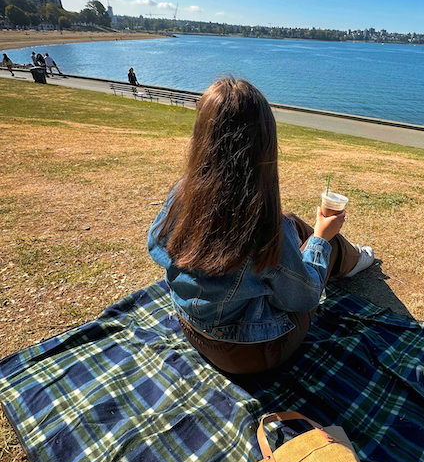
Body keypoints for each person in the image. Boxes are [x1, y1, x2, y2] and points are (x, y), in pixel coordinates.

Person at [148, 77, 374, 375]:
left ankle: (350, 255)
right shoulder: (264, 227)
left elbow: (155, 243)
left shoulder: (182, 195)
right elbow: (304, 297)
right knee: (319, 242)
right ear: (264, 145)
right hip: (250, 352)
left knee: (291, 222)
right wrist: (320, 238)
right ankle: (351, 256)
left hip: (190, 326)